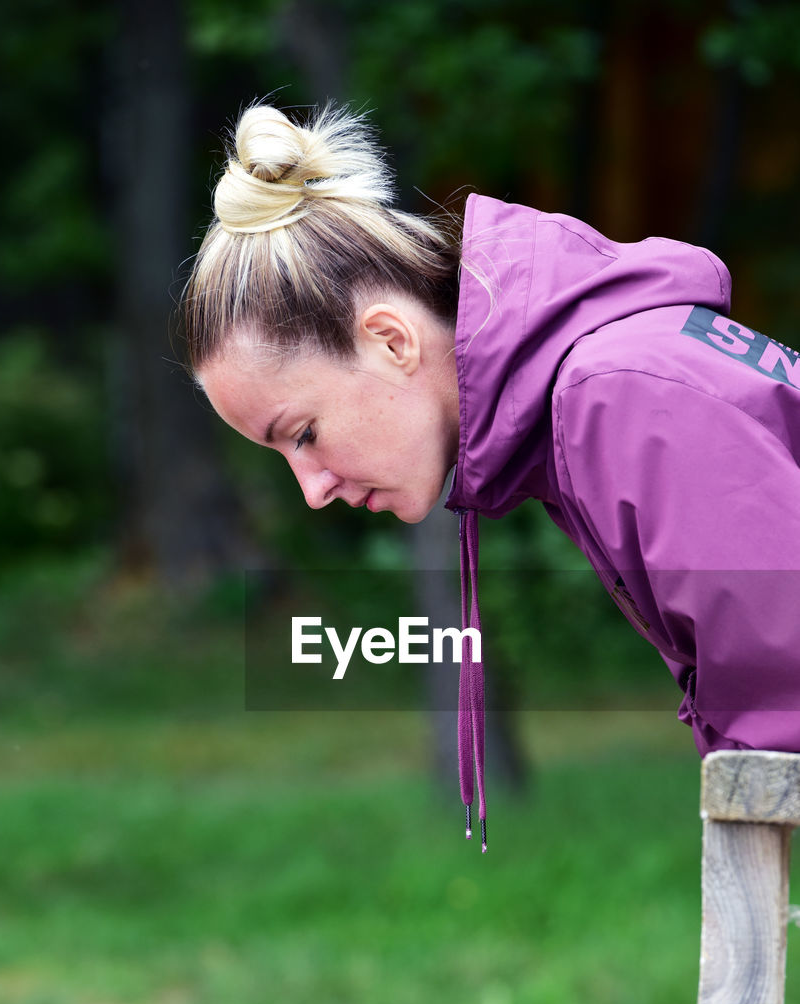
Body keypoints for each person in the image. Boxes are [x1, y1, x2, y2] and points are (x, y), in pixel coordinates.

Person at [183, 101, 800, 848]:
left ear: (389, 340)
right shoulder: (601, 385)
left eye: (304, 435)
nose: (314, 490)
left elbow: (783, 718)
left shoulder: (614, 396)